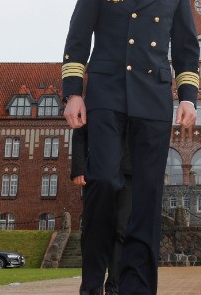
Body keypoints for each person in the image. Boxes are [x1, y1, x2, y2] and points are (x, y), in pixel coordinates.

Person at [61, 0, 199, 295]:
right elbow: (77, 38)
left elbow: (187, 49)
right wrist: (73, 93)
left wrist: (187, 97)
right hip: (106, 95)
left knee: (146, 197)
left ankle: (135, 287)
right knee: (103, 182)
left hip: (154, 101)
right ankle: (93, 282)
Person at [70, 126, 132, 295]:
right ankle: (92, 285)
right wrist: (78, 167)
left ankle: (114, 285)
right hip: (99, 170)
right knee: (95, 229)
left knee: (123, 230)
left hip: (130, 171)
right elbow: (80, 130)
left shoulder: (139, 100)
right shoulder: (95, 98)